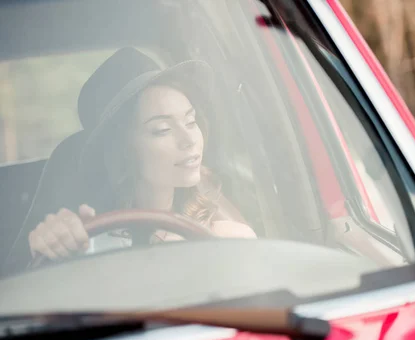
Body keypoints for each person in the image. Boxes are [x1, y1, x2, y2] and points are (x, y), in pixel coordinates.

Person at [26, 47, 256, 262]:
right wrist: (51, 246)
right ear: (123, 151)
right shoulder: (86, 246)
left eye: (190, 121)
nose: (189, 140)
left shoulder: (230, 238)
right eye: (162, 130)